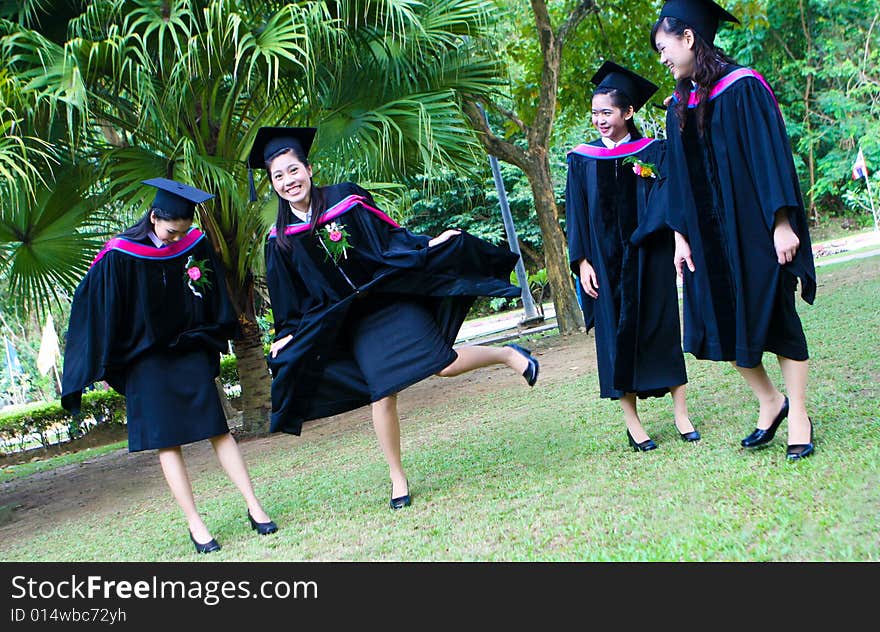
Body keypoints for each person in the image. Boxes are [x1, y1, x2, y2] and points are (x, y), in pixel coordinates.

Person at [249, 126, 540, 509]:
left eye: (293, 170)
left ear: (309, 168)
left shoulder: (346, 199)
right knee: (382, 393)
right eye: (279, 177)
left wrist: (427, 245)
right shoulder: (281, 238)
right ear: (272, 184)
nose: (289, 181)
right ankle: (397, 478)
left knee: (444, 364)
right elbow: (289, 296)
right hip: (353, 321)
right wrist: (285, 333)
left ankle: (507, 355)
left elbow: (389, 237)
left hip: (391, 297)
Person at [61, 178, 277, 554]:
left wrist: (208, 331)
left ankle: (254, 506)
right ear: (154, 217)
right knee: (167, 441)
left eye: (183, 230)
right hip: (146, 360)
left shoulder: (193, 243)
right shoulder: (120, 253)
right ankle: (196, 525)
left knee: (218, 429)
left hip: (187, 349)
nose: (177, 238)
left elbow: (212, 295)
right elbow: (93, 303)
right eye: (171, 231)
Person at [651, 0, 817, 460]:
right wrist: (680, 234)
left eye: (664, 48)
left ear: (688, 38)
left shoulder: (744, 87)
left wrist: (782, 222)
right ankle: (770, 401)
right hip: (707, 239)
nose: (662, 59)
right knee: (721, 322)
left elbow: (770, 157)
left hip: (753, 230)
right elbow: (680, 178)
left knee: (777, 318)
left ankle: (798, 412)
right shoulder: (678, 106)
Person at [566, 61, 699, 452]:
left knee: (661, 329)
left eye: (607, 112)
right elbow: (575, 213)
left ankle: (681, 413)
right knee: (613, 339)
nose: (600, 121)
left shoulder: (653, 151)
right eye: (594, 113)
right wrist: (582, 262)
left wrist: (669, 239)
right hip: (604, 267)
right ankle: (633, 423)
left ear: (628, 112)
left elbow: (670, 199)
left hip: (650, 257)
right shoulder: (581, 158)